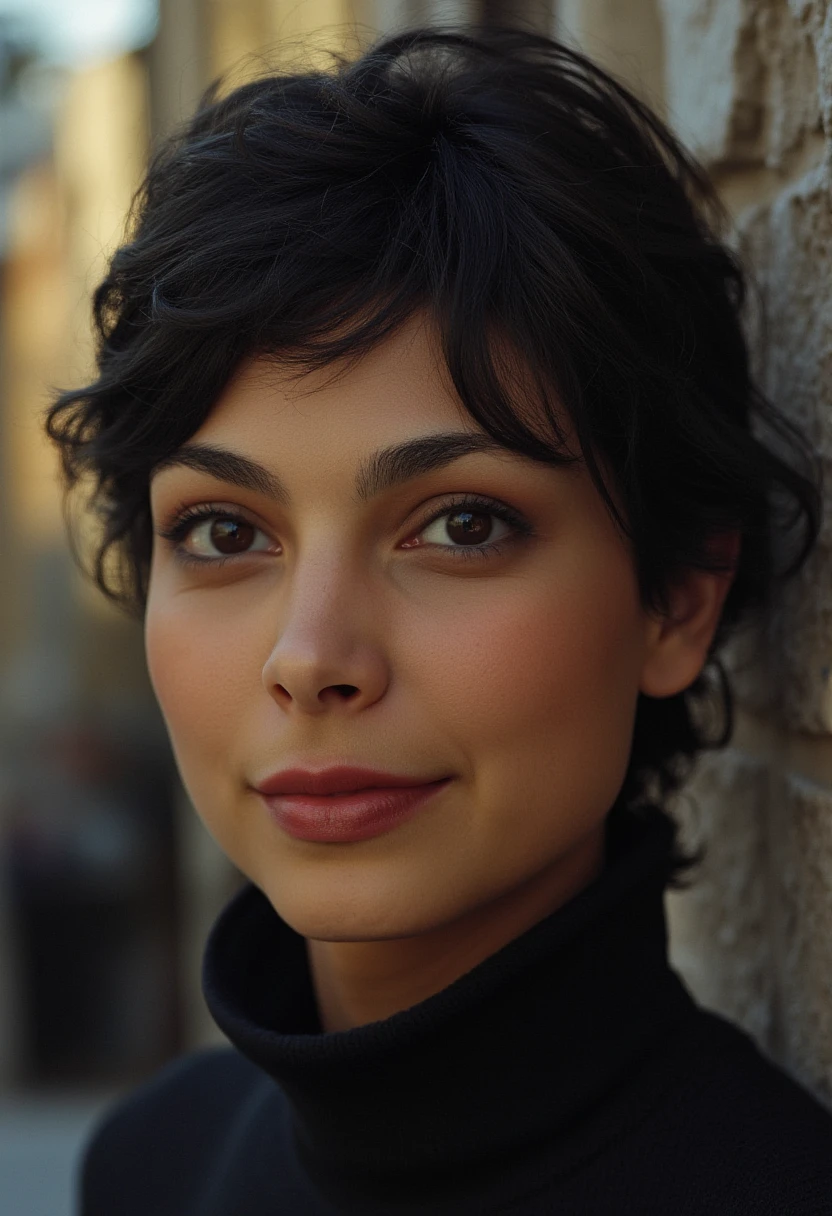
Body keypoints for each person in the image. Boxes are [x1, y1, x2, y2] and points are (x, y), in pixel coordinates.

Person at [48, 23, 832, 1215]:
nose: (311, 658)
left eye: (461, 525)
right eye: (223, 532)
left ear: (676, 594)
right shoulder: (151, 1166)